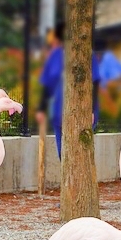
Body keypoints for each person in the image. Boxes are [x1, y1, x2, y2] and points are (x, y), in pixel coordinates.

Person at [35, 22, 101, 159]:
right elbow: (47, 85)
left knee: (79, 154)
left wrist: (92, 110)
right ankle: (67, 181)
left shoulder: (87, 55)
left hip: (82, 115)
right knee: (63, 155)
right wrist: (41, 109)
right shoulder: (55, 56)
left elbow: (95, 82)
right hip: (59, 114)